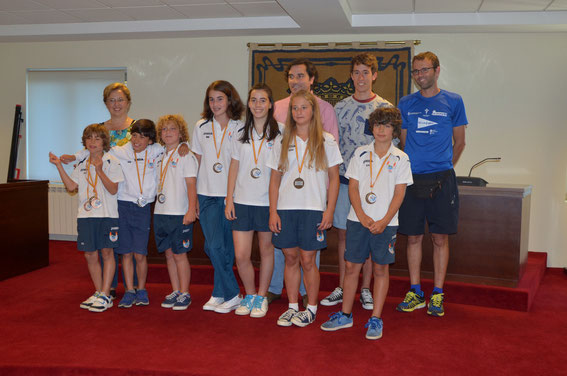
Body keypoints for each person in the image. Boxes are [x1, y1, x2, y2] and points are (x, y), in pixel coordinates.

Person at [320, 107, 412, 339]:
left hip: (386, 224)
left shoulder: (401, 158)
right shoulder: (360, 153)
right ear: (371, 128)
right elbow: (352, 187)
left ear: (395, 130)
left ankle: (376, 319)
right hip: (357, 221)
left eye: (387, 125)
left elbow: (399, 194)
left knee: (380, 269)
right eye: (377, 124)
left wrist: (384, 221)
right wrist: (361, 215)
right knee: (352, 267)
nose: (381, 129)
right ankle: (345, 315)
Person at [396, 51, 467, 317]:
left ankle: (437, 294)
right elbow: (403, 143)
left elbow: (459, 142)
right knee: (412, 237)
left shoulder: (454, 101)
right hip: (412, 180)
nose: (419, 76)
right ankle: (415, 291)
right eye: (415, 71)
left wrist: (445, 165)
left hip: (443, 180)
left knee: (440, 237)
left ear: (437, 70)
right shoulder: (405, 102)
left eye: (424, 70)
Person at [322, 52, 394, 310]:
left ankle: (365, 288)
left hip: (374, 187)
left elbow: (393, 150)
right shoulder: (339, 108)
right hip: (344, 182)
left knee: (368, 232)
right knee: (345, 236)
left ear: (374, 75)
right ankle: (343, 286)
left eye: (366, 72)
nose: (361, 77)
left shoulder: (385, 108)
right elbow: (332, 145)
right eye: (356, 72)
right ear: (350, 76)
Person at [268, 58, 339, 306]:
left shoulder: (326, 139)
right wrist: (273, 211)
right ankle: (291, 304)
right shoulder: (280, 139)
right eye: (295, 109)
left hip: (313, 207)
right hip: (286, 208)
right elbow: (274, 178)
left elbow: (333, 176)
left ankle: (311, 304)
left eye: (304, 108)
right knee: (289, 257)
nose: (299, 112)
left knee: (308, 259)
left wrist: (329, 209)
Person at [61, 82, 137, 299]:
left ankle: (132, 288)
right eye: (111, 100)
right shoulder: (100, 129)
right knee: (103, 247)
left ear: (128, 103)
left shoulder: (136, 128)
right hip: (102, 196)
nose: (116, 104)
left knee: (125, 247)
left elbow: (152, 147)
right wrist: (72, 158)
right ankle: (106, 289)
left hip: (128, 193)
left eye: (120, 99)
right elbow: (87, 150)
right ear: (105, 103)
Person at [49, 124, 124, 312]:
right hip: (86, 215)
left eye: (97, 138)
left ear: (104, 142)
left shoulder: (111, 161)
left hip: (106, 215)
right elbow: (71, 187)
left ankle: (107, 293)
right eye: (89, 138)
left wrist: (99, 171)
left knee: (107, 253)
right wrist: (59, 166)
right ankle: (99, 292)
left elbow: (114, 189)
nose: (92, 142)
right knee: (90, 254)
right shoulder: (82, 164)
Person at [225, 84, 281, 318]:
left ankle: (261, 296)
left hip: (268, 202)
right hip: (243, 201)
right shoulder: (239, 133)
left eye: (263, 100)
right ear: (248, 104)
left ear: (270, 104)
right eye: (254, 100)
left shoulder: (281, 133)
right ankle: (248, 294)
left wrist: (275, 208)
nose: (258, 104)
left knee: (267, 251)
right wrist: (229, 200)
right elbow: (234, 167)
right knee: (242, 255)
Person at [192, 80, 244, 314]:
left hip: (230, 196)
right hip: (207, 194)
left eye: (220, 99)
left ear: (230, 99)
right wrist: (193, 198)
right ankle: (233, 293)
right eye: (211, 99)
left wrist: (232, 197)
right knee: (212, 246)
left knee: (225, 248)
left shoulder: (240, 127)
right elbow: (197, 162)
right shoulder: (201, 126)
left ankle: (219, 292)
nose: (215, 104)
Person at [154, 114, 199, 311]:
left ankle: (185, 292)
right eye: (164, 129)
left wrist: (191, 209)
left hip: (180, 213)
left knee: (180, 255)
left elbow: (191, 185)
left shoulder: (185, 155)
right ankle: (175, 290)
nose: (168, 133)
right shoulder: (159, 156)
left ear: (180, 133)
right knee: (169, 254)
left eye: (172, 129)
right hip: (161, 212)